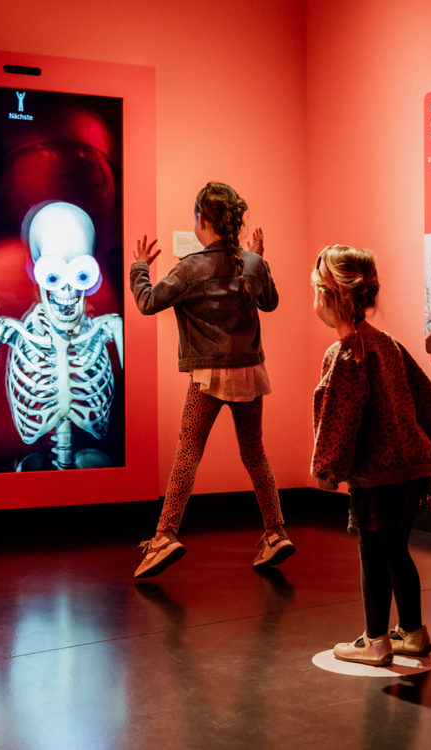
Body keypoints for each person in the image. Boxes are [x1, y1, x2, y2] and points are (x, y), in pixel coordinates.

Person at [129, 181, 295, 578]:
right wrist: (258, 259)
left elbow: (147, 301)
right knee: (255, 454)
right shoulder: (251, 263)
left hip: (207, 377)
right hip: (250, 373)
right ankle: (275, 532)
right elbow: (270, 302)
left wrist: (139, 265)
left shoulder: (191, 267)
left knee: (188, 452)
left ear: (201, 219)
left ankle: (165, 536)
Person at [311, 244, 431, 666]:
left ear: (334, 297)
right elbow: (426, 390)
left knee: (372, 553)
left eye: (316, 289)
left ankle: (375, 640)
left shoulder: (348, 351)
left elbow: (340, 414)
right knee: (397, 550)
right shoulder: (387, 343)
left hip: (378, 477)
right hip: (410, 468)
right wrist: (426, 446)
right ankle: (413, 631)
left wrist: (327, 469)